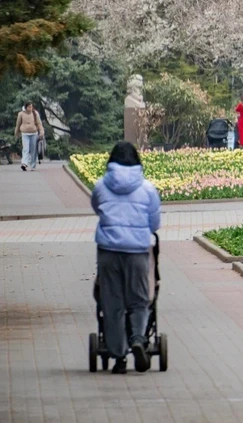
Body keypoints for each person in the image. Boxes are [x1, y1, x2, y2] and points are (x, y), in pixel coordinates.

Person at [91, 141, 161, 374]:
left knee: (113, 305)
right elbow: (154, 223)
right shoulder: (148, 189)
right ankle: (139, 339)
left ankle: (119, 358)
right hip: (137, 253)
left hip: (108, 252)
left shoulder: (101, 186)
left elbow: (98, 209)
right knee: (139, 300)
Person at [14, 101, 44, 172]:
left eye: (31, 107)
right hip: (25, 134)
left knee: (33, 150)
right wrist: (16, 133)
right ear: (26, 107)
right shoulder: (21, 114)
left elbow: (39, 124)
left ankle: (33, 166)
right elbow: (18, 124)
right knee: (26, 149)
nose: (31, 108)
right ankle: (24, 164)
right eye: (29, 107)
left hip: (34, 134)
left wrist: (41, 132)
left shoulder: (35, 113)